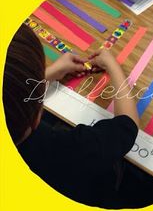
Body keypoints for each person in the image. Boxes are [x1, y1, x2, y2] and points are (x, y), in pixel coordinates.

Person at [3, 24, 139, 207]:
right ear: (36, 117)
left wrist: (50, 72)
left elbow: (12, 93)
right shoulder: (72, 150)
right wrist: (113, 66)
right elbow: (126, 126)